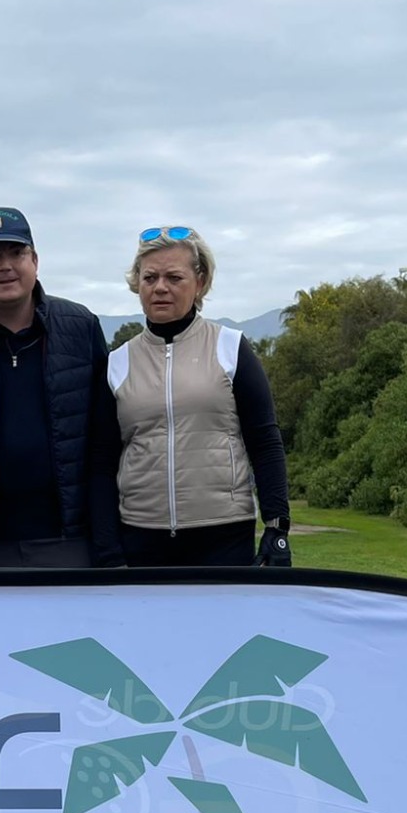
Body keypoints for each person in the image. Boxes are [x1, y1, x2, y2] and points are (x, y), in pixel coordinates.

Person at [0, 207, 121, 567]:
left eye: (16, 253)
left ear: (35, 260)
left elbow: (104, 437)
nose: (5, 266)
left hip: (70, 537)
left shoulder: (81, 327)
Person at [107, 227, 292, 567]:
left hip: (223, 537)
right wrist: (107, 547)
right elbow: (101, 461)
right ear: (137, 283)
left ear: (200, 282)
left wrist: (277, 526)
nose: (160, 287)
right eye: (150, 277)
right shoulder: (117, 362)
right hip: (141, 536)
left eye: (174, 277)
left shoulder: (230, 348)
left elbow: (264, 440)